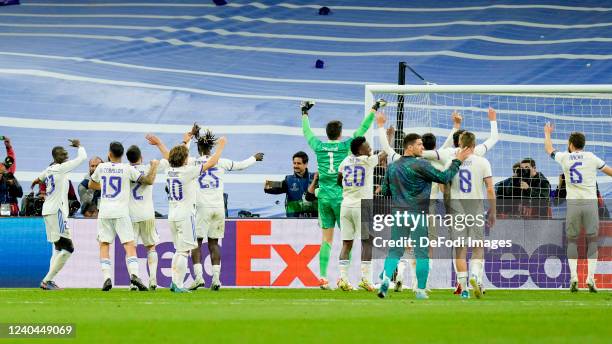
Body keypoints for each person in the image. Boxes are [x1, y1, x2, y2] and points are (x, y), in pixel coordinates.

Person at [377, 133, 472, 300]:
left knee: (395, 251)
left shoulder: (392, 167)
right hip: (418, 214)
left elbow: (384, 191)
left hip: (398, 214)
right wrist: (457, 161)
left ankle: (385, 280)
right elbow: (444, 177)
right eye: (419, 144)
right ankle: (420, 290)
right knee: (422, 253)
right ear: (409, 147)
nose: (422, 148)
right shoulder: (421, 164)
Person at [301, 99, 382, 290]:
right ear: (340, 134)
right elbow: (362, 129)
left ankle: (322, 277)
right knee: (348, 239)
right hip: (342, 197)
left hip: (323, 197)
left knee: (326, 239)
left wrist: (304, 113)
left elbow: (307, 132)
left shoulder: (318, 146)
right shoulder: (346, 146)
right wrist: (374, 109)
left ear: (327, 133)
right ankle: (344, 278)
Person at [181, 129, 262, 291]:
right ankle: (216, 279)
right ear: (211, 147)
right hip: (219, 207)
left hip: (201, 207)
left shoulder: (193, 162)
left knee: (196, 242)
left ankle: (198, 278)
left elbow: (180, 158)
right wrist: (254, 158)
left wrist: (187, 141)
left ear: (199, 149)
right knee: (214, 242)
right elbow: (240, 166)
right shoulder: (221, 161)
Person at [544, 124, 612, 292]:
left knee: (572, 241)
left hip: (573, 203)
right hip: (590, 202)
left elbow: (549, 149)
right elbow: (610, 171)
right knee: (592, 241)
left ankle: (574, 278)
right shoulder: (591, 157)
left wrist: (547, 133)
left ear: (571, 144)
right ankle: (590, 279)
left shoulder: (565, 158)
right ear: (583, 144)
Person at [157, 137, 227, 293]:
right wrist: (221, 147)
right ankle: (179, 285)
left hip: (172, 214)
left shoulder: (169, 170)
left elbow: (169, 157)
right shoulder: (188, 171)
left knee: (178, 249)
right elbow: (212, 162)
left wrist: (159, 144)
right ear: (185, 160)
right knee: (184, 251)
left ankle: (174, 282)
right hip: (185, 215)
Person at [89, 142, 159, 291]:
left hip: (105, 212)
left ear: (109, 154)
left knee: (104, 244)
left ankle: (107, 278)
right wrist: (153, 167)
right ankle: (134, 275)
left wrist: (105, 187)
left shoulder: (101, 167)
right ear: (122, 155)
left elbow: (91, 184)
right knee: (129, 245)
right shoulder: (127, 169)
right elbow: (147, 181)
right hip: (121, 212)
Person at [31, 139, 87, 290]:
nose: (66, 154)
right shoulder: (61, 168)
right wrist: (79, 146)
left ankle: (50, 280)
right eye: (63, 153)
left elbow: (41, 176)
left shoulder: (50, 169)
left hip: (47, 211)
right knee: (69, 247)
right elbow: (82, 158)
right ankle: (47, 280)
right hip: (57, 212)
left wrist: (36, 180)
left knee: (57, 247)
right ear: (57, 157)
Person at [447, 132, 496, 299]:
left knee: (460, 250)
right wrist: (493, 210)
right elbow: (489, 188)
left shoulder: (451, 162)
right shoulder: (483, 162)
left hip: (457, 210)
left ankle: (464, 287)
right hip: (475, 209)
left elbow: (443, 186)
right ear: (474, 144)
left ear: (460, 143)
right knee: (478, 247)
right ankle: (476, 276)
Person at [336, 136, 385, 292]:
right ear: (360, 150)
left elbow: (339, 179)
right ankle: (366, 280)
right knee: (367, 242)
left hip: (346, 205)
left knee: (346, 244)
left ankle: (343, 280)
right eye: (367, 146)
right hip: (361, 206)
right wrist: (389, 137)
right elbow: (385, 153)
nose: (370, 148)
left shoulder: (345, 162)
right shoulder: (367, 160)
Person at [126, 140, 169, 291]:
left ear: (128, 158)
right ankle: (152, 280)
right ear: (141, 157)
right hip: (147, 213)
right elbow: (170, 158)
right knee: (151, 247)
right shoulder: (149, 167)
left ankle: (133, 282)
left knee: (131, 248)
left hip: (130, 215)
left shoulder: (125, 170)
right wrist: (158, 144)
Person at [264, 151, 317, 218]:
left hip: (314, 220)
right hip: (293, 221)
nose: (295, 166)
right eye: (294, 163)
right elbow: (268, 186)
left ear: (306, 164)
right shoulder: (288, 180)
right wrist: (268, 184)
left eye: (298, 163)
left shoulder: (315, 178)